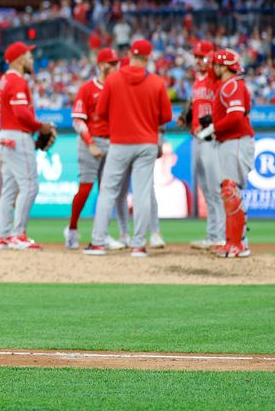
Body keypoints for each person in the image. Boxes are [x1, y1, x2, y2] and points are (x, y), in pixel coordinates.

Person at [85, 39, 173, 258]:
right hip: (146, 143)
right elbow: (166, 117)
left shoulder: (113, 80)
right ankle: (138, 245)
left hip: (120, 142)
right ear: (147, 57)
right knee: (142, 192)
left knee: (108, 191)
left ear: (130, 56)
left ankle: (97, 243)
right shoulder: (156, 82)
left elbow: (102, 111)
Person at [0, 41, 56, 250]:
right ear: (19, 59)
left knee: (9, 190)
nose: (31, 59)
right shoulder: (17, 82)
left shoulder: (2, 81)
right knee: (30, 186)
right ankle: (18, 235)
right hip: (17, 136)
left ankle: (3, 236)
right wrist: (41, 127)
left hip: (5, 135)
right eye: (28, 56)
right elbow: (21, 113)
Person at [65, 48, 129, 249]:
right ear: (101, 65)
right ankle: (72, 229)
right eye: (111, 63)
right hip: (90, 142)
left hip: (113, 142)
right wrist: (91, 143)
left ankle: (101, 233)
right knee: (85, 188)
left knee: (107, 191)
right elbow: (78, 120)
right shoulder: (87, 88)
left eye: (116, 63)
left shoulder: (118, 88)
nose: (114, 66)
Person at [205, 49, 255, 258]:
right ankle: (234, 241)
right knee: (229, 190)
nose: (213, 68)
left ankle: (237, 244)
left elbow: (235, 117)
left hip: (236, 140)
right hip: (230, 140)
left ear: (224, 66)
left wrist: (213, 128)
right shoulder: (230, 85)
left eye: (216, 64)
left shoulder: (232, 84)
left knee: (230, 190)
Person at [180, 42, 223, 249]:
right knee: (206, 190)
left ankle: (221, 235)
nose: (198, 60)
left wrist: (212, 61)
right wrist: (185, 115)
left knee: (215, 189)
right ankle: (212, 234)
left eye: (202, 56)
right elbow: (193, 102)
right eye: (196, 57)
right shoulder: (198, 79)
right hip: (196, 137)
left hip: (212, 137)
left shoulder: (216, 77)